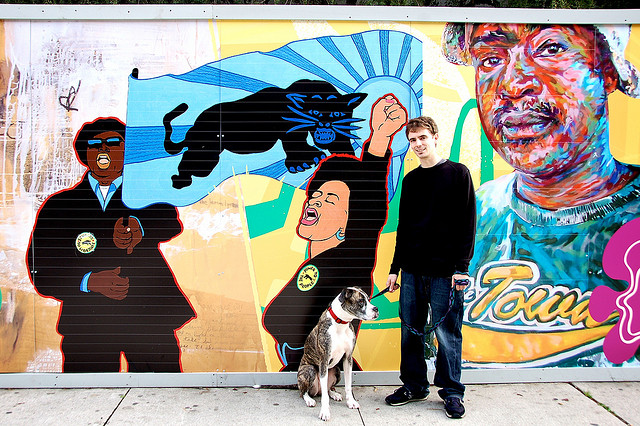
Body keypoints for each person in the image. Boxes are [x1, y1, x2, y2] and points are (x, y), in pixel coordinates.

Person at [441, 23, 640, 367]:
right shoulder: (473, 215)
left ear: (607, 71)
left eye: (551, 49)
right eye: (490, 60)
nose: (513, 85)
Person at [27, 117, 195, 372]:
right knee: (89, 390)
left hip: (149, 319)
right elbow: (41, 267)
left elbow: (170, 222)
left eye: (113, 142)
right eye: (95, 145)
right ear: (85, 153)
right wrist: (89, 281)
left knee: (161, 387)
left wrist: (140, 228)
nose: (103, 150)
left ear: (126, 150)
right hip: (87, 325)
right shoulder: (60, 205)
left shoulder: (144, 193)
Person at [262, 94, 408, 371]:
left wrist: (380, 138)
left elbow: (368, 207)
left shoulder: (349, 260)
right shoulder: (315, 262)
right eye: (316, 195)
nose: (315, 201)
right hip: (307, 372)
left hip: (326, 373)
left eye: (330, 200)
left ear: (347, 223)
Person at [384, 116, 476, 419]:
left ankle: (451, 392)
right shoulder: (411, 180)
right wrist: (395, 269)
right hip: (412, 271)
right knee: (410, 331)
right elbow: (404, 228)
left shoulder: (458, 174)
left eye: (423, 137)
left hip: (446, 273)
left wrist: (461, 268)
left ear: (435, 137)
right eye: (413, 140)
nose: (418, 144)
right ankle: (414, 386)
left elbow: (467, 225)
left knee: (447, 334)